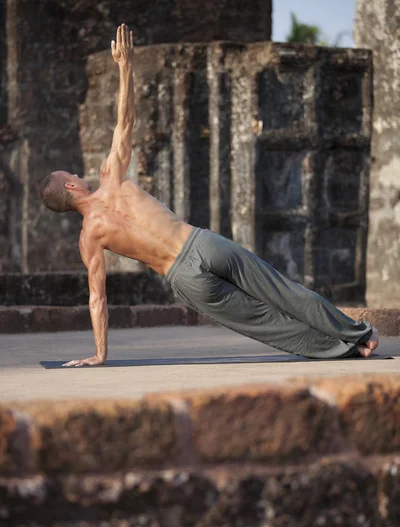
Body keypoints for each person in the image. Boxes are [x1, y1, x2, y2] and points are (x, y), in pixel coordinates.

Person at [40, 24, 379, 367]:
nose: (74, 172)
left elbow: (97, 298)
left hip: (182, 276)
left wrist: (100, 354)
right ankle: (359, 334)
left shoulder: (89, 239)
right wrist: (125, 67)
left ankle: (346, 350)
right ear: (70, 186)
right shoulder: (111, 177)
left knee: (266, 324)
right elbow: (124, 121)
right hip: (202, 244)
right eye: (69, 174)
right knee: (282, 291)